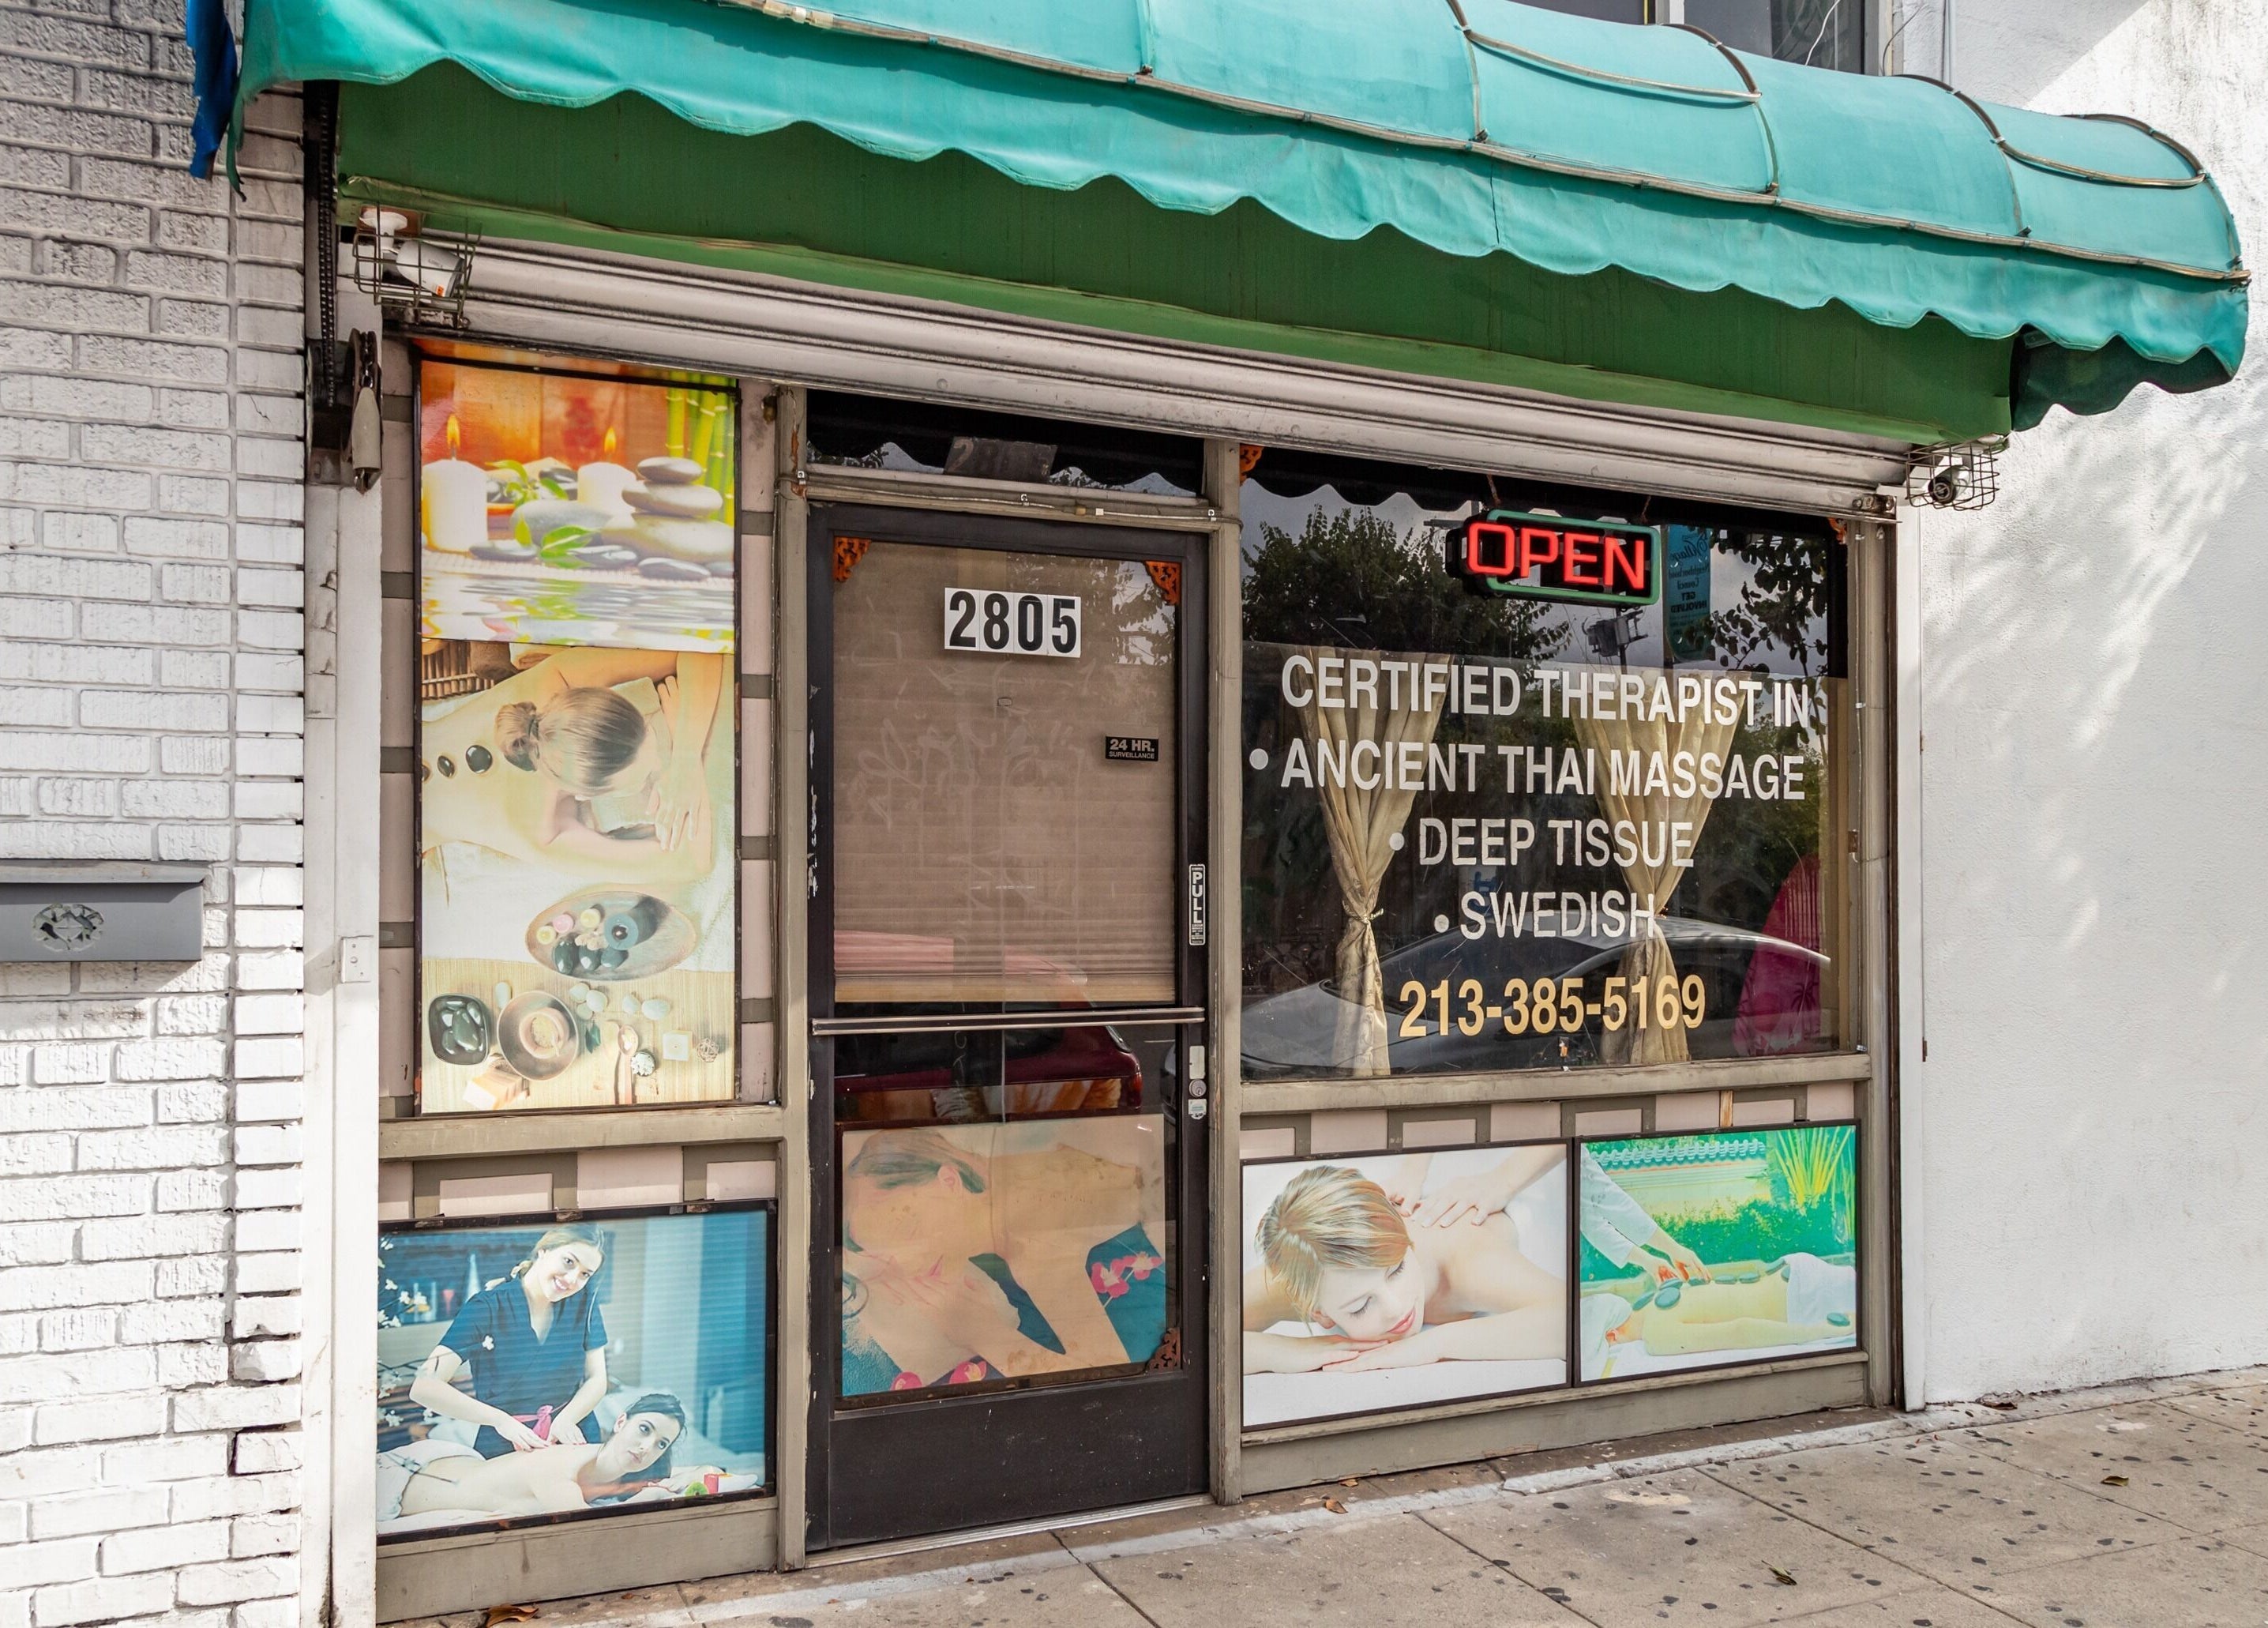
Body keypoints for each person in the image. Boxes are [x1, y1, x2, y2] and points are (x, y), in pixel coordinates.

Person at [839, 1126, 1166, 1392]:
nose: (912, 1265)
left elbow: (1107, 1382)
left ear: (949, 1181)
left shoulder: (1029, 1240)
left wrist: (982, 1331)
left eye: (910, 1231)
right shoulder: (1005, 1176)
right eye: (887, 1257)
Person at [419, 646, 723, 876]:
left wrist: (686, 758)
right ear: (587, 796)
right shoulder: (536, 832)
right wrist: (687, 770)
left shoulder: (550, 684)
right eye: (646, 776)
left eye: (646, 725)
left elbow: (703, 648)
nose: (660, 755)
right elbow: (688, 864)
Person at [1242, 1159, 1564, 1375]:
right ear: (1319, 1314)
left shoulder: (1466, 1262)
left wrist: (1435, 1345)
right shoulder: (1306, 1269)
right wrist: (1280, 1352)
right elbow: (1195, 1341)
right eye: (1361, 1305)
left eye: (1396, 1271)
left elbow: (1574, 1319)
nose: (1397, 1307)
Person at [408, 1224, 610, 1457]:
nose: (572, 1279)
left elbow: (597, 1379)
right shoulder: (487, 1307)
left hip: (572, 1436)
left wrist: (565, 1420)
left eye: (585, 1274)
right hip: (507, 1445)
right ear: (544, 1251)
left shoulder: (584, 1304)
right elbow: (424, 1387)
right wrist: (499, 1420)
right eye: (568, 1262)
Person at [386, 1394, 715, 1522]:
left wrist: (703, 1469)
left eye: (660, 1444)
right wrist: (652, 1498)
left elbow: (703, 1472)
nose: (647, 1447)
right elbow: (590, 1532)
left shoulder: (610, 1472)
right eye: (644, 1429)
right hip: (401, 1484)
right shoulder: (560, 1469)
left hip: (455, 1467)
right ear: (619, 1421)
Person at [1593, 1251, 1856, 1359]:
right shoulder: (1659, 1294)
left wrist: (1822, 1331)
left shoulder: (1656, 1333)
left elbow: (1740, 1332)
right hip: (1794, 1271)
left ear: (1611, 1335)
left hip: (1803, 1300)